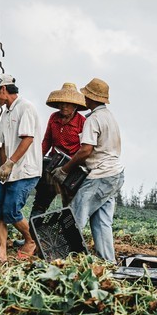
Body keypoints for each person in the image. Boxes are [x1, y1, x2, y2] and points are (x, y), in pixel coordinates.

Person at [60, 78, 124, 263]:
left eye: (86, 95)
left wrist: (65, 169)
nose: (84, 98)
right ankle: (108, 262)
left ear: (91, 98)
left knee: (75, 216)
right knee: (102, 221)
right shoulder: (109, 117)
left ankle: (65, 261)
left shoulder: (93, 119)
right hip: (115, 175)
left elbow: (86, 150)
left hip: (100, 175)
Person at [0, 72, 43, 262]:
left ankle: (31, 240)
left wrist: (10, 162)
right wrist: (2, 165)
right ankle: (1, 253)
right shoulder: (6, 113)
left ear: (3, 89)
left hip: (25, 170)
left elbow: (27, 139)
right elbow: (3, 145)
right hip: (9, 173)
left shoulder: (25, 108)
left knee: (11, 211)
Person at [30, 83, 87, 217]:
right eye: (61, 103)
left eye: (67, 104)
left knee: (69, 206)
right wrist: (37, 159)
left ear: (75, 106)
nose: (64, 106)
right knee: (40, 201)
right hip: (53, 164)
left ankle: (65, 236)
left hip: (72, 167)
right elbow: (47, 141)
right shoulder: (54, 118)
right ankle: (31, 236)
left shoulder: (82, 122)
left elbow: (85, 148)